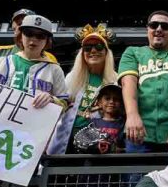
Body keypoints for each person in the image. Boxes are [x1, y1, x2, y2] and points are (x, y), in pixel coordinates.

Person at [118, 10, 168, 154]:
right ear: (147, 29)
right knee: (137, 177)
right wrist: (132, 116)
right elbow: (128, 84)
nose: (159, 29)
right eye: (154, 25)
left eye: (165, 26)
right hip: (138, 132)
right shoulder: (132, 52)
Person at [48, 24, 118, 154]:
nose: (93, 51)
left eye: (98, 47)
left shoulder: (115, 80)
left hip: (98, 141)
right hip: (66, 135)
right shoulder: (72, 77)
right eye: (87, 48)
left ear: (106, 53)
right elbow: (60, 104)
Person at [0, 14, 68, 109]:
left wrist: (52, 100)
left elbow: (64, 104)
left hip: (32, 122)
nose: (33, 39)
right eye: (29, 33)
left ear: (47, 41)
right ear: (20, 36)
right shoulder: (0, 62)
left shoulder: (55, 69)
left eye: (40, 36)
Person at [0, 9, 58, 76]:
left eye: (25, 23)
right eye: (18, 23)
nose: (20, 26)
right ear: (13, 27)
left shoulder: (49, 58)